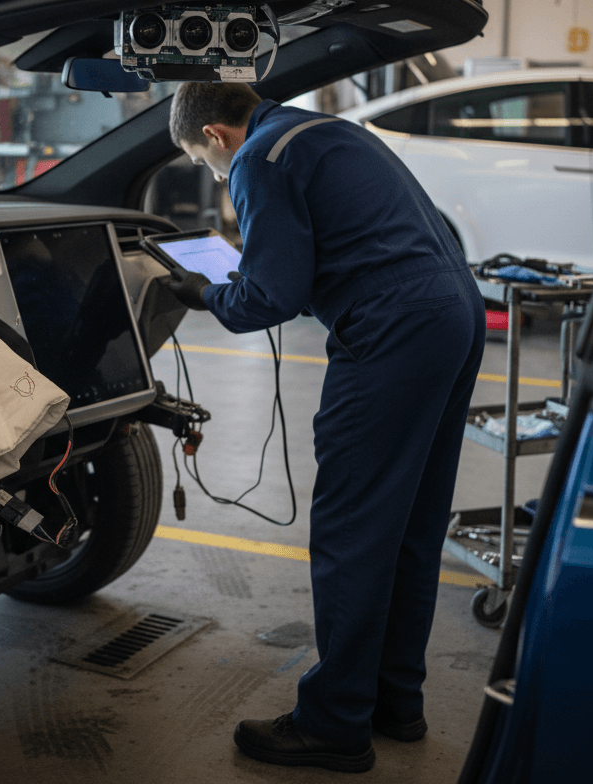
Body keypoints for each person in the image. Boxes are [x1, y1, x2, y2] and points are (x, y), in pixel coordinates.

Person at [163, 80, 485, 774]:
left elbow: (269, 294)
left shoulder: (258, 160)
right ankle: (395, 702)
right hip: (454, 311)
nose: (209, 170)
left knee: (351, 528)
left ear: (216, 136)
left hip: (393, 326)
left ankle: (335, 722)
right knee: (409, 526)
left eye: (199, 158)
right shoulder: (324, 132)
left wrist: (204, 294)